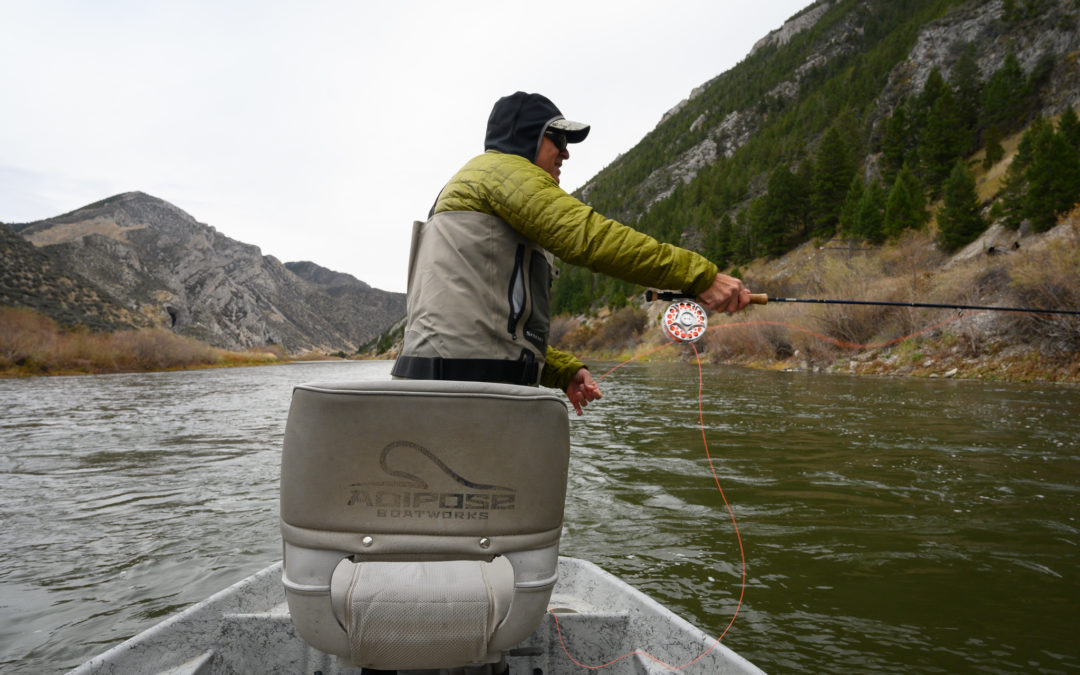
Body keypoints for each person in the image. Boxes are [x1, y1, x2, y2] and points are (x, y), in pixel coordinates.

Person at [392, 91, 750, 414]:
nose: (566, 152)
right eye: (558, 139)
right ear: (525, 138)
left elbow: (480, 324)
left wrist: (560, 369)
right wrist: (700, 276)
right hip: (466, 393)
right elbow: (589, 237)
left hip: (453, 387)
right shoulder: (502, 172)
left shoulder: (486, 191)